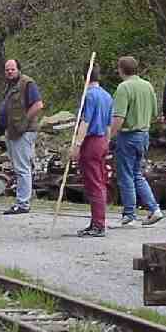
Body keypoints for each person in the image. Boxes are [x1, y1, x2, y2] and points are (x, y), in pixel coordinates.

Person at [109, 56, 164, 227]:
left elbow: (119, 117)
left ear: (120, 69)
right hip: (144, 135)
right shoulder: (147, 86)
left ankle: (129, 215)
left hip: (128, 136)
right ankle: (154, 209)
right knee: (136, 174)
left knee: (125, 176)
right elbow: (155, 113)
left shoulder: (124, 87)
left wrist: (108, 136)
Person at [69, 64, 113, 237]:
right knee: (99, 181)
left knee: (94, 183)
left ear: (84, 78)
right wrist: (107, 143)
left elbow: (85, 122)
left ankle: (99, 225)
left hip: (92, 141)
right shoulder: (107, 96)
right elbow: (109, 124)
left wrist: (77, 145)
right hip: (102, 140)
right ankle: (96, 222)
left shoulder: (89, 96)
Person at [0, 59, 44, 215]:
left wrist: (24, 121)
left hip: (23, 132)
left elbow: (38, 105)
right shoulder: (10, 86)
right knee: (18, 167)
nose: (10, 72)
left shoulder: (27, 83)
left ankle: (23, 203)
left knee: (23, 168)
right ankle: (21, 200)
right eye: (7, 70)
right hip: (12, 131)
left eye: (12, 69)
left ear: (19, 69)